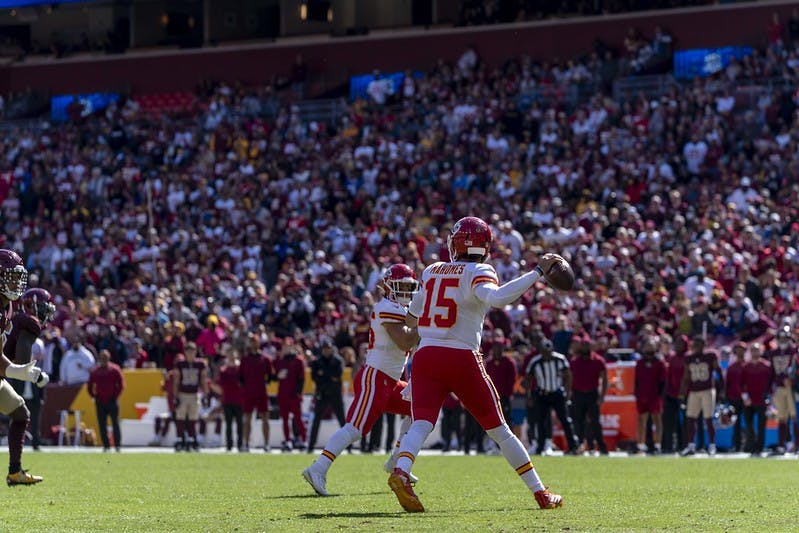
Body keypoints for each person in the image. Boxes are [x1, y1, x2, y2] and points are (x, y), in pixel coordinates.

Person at [387, 217, 563, 512]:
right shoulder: (479, 270)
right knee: (500, 430)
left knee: (422, 423)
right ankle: (540, 492)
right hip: (461, 356)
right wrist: (537, 272)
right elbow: (498, 299)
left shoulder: (431, 270)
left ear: (455, 243)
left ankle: (401, 470)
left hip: (426, 354)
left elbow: (411, 318)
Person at [303, 264, 418, 496]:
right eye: (402, 286)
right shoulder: (387, 307)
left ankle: (397, 459)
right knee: (356, 428)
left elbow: (412, 326)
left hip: (390, 380)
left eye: (409, 287)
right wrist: (428, 322)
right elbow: (405, 341)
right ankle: (318, 468)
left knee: (419, 407)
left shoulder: (400, 309)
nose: (406, 291)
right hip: (375, 377)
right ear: (389, 287)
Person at [0, 250, 51, 485]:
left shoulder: (8, 306)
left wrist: (16, 370)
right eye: (10, 277)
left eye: (17, 277)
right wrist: (17, 371)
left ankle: (15, 472)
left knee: (20, 413)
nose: (15, 283)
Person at [4, 288, 56, 451]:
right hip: (9, 374)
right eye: (43, 308)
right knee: (19, 413)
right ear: (30, 306)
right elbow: (22, 364)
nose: (46, 313)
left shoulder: (15, 319)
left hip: (5, 372)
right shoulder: (29, 322)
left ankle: (16, 465)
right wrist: (38, 376)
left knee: (21, 413)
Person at [528, 338, 578, 455]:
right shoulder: (535, 361)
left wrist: (567, 391)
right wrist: (529, 395)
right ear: (540, 351)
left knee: (565, 420)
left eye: (548, 351)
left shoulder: (560, 359)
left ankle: (572, 446)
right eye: (544, 352)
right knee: (540, 421)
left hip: (557, 393)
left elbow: (568, 375)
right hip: (542, 394)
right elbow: (528, 379)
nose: (547, 354)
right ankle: (540, 447)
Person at [680, 336, 722, 456]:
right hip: (694, 390)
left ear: (704, 345)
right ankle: (691, 445)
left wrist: (721, 390)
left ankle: (712, 445)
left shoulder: (710, 356)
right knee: (690, 418)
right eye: (695, 344)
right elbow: (686, 376)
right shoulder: (689, 358)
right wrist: (682, 393)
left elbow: (718, 372)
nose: (696, 347)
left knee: (708, 418)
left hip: (707, 390)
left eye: (699, 344)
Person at [570, 334, 608, 455]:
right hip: (578, 394)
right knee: (578, 421)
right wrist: (569, 393)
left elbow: (605, 379)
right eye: (583, 345)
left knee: (595, 421)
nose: (585, 347)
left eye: (587, 345)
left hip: (592, 394)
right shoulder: (575, 361)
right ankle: (580, 445)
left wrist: (602, 396)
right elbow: (570, 378)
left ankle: (600, 446)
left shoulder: (598, 360)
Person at [764, 326, 798, 454]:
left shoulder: (794, 351)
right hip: (779, 388)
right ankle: (781, 445)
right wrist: (767, 390)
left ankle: (797, 445)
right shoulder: (773, 353)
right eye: (781, 338)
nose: (783, 340)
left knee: (795, 417)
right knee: (782, 417)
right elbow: (771, 373)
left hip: (792, 388)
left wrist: (793, 381)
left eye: (785, 338)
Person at [239, 334, 274, 452]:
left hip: (261, 392)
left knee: (265, 418)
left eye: (255, 341)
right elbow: (240, 377)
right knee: (247, 419)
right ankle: (245, 444)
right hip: (249, 393)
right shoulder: (245, 359)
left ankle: (267, 444)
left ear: (259, 343)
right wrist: (246, 387)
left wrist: (265, 384)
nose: (253, 343)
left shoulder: (265, 359)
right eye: (251, 341)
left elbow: (270, 375)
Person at [173, 342, 208, 451]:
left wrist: (205, 394)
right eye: (188, 351)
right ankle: (180, 439)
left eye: (192, 351)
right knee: (180, 418)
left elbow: (203, 380)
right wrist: (175, 396)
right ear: (185, 352)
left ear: (196, 352)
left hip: (194, 393)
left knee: (193, 418)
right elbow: (176, 381)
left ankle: (192, 439)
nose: (190, 354)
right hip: (183, 393)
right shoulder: (180, 364)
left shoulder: (200, 364)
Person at [88, 349, 125, 451]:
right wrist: (94, 396)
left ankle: (117, 445)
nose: (103, 360)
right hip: (100, 401)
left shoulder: (114, 369)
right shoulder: (96, 371)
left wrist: (115, 396)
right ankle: (106, 445)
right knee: (102, 424)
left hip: (112, 401)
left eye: (105, 358)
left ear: (109, 358)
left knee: (115, 423)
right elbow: (90, 385)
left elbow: (121, 384)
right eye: (102, 358)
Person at [634, 338, 666, 455]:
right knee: (641, 420)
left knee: (657, 420)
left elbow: (663, 381)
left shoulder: (659, 363)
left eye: (651, 345)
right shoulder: (639, 363)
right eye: (647, 345)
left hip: (654, 396)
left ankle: (657, 445)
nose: (649, 348)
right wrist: (637, 393)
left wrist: (660, 396)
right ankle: (640, 445)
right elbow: (636, 380)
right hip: (642, 395)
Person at [741, 342, 771, 456]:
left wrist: (769, 397)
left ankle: (759, 447)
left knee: (761, 425)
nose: (755, 352)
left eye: (757, 350)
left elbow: (770, 383)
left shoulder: (766, 366)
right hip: (749, 400)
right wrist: (745, 397)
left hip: (761, 399)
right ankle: (751, 446)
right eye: (753, 350)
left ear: (761, 351)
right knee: (749, 425)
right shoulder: (745, 367)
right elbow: (741, 384)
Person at [211, 348, 244, 452]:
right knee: (228, 424)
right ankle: (229, 445)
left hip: (239, 400)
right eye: (229, 354)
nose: (231, 356)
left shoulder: (240, 368)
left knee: (240, 424)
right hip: (227, 400)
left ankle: (240, 444)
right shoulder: (223, 370)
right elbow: (219, 384)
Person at [275, 344, 306, 451]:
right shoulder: (280, 361)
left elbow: (301, 379)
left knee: (298, 418)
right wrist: (278, 376)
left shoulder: (298, 361)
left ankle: (303, 439)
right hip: (283, 394)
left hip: (293, 395)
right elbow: (274, 376)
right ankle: (287, 440)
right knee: (285, 419)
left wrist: (298, 392)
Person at [661, 335, 687, 453]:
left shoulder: (688, 358)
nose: (678, 345)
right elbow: (669, 377)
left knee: (683, 423)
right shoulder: (672, 358)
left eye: (681, 343)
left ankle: (683, 446)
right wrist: (666, 392)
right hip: (671, 394)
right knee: (668, 422)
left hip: (685, 395)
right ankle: (667, 446)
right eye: (677, 343)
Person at [725, 342, 746, 452]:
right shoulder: (731, 367)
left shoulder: (747, 365)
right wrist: (726, 397)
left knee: (748, 423)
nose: (740, 352)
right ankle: (737, 445)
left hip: (746, 399)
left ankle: (749, 445)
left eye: (742, 349)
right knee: (736, 423)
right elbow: (727, 383)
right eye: (738, 349)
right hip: (734, 398)